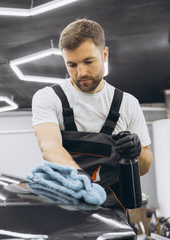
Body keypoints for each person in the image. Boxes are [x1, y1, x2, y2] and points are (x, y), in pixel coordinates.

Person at [31, 19, 153, 211]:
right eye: (71, 65)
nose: (81, 72)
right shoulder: (49, 97)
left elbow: (144, 168)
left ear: (104, 54)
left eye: (88, 61)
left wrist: (136, 151)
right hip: (68, 211)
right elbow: (49, 147)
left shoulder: (127, 103)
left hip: (114, 216)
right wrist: (84, 185)